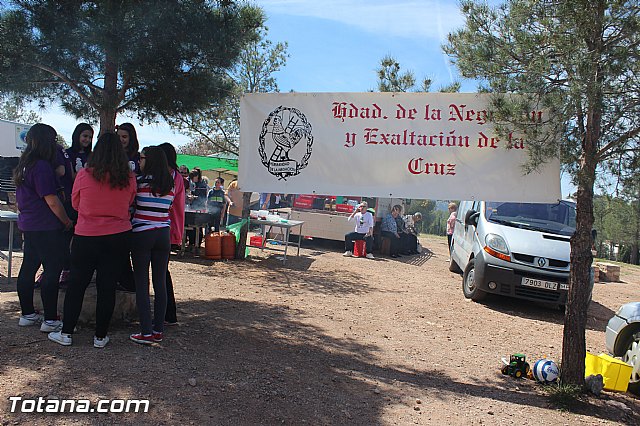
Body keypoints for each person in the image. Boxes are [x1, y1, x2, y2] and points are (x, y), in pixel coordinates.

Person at [48, 132, 137, 348]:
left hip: (86, 235)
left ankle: (67, 332)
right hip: (118, 235)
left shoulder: (85, 174)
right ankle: (100, 336)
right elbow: (130, 202)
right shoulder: (129, 177)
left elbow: (76, 204)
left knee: (77, 284)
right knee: (107, 286)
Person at [14, 124, 74, 332]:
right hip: (46, 226)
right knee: (52, 270)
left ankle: (27, 314)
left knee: (28, 268)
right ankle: (51, 319)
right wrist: (66, 221)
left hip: (29, 225)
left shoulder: (24, 164)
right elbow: (52, 200)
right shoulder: (41, 167)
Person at [129, 146, 175, 345]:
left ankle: (145, 332)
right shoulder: (170, 185)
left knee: (141, 284)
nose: (139, 161)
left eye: (141, 158)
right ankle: (158, 330)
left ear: (149, 160)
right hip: (163, 234)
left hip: (142, 233)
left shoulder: (138, 183)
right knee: (160, 283)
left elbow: (131, 206)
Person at [158, 143, 184, 326]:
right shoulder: (178, 177)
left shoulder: (170, 177)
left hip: (165, 228)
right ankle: (169, 313)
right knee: (162, 272)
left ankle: (167, 314)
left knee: (161, 274)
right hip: (171, 229)